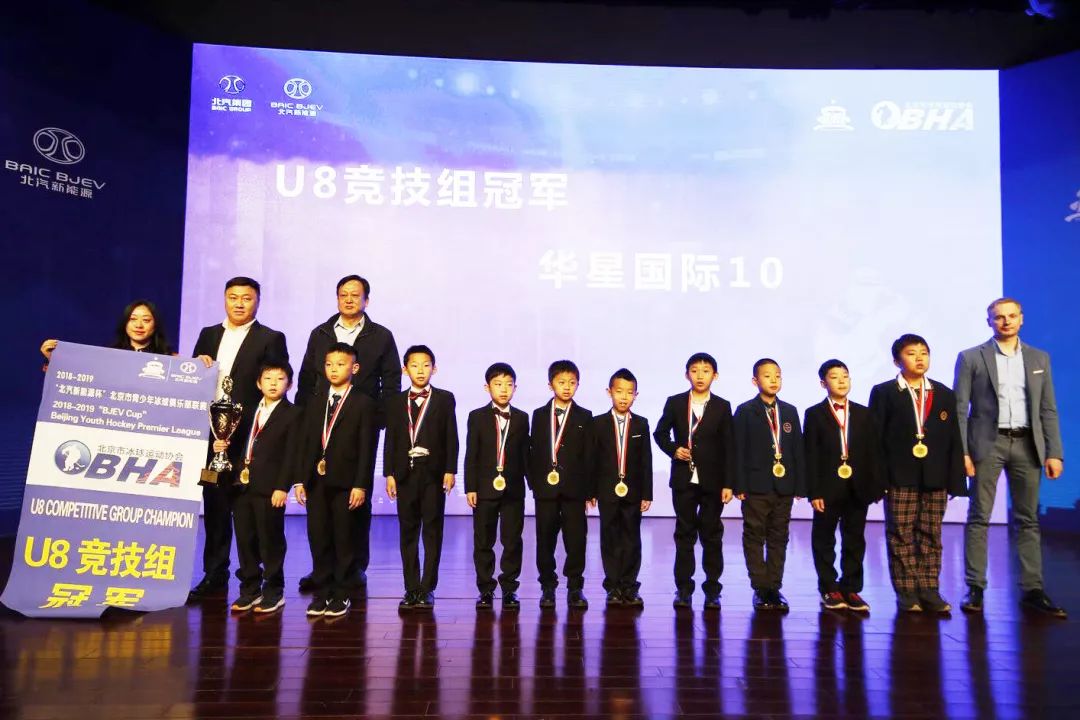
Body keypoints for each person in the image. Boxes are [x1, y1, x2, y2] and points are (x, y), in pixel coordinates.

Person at [955, 298, 1067, 617]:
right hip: (986, 445)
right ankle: (975, 587)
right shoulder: (971, 357)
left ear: (1021, 319)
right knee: (979, 516)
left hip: (1027, 444)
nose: (1005, 321)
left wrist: (1054, 452)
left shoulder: (1039, 358)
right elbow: (960, 408)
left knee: (1027, 519)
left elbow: (1048, 408)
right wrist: (963, 452)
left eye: (1011, 316)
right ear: (989, 321)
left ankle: (1033, 589)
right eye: (999, 317)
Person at [295, 275, 400, 591]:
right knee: (319, 498)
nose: (349, 299)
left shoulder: (380, 336)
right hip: (321, 422)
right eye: (343, 294)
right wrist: (304, 417)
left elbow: (391, 381)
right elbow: (306, 377)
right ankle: (322, 570)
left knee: (356, 496)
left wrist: (379, 419)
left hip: (360, 423)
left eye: (356, 295)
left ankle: (354, 567)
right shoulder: (321, 333)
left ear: (367, 300)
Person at [188, 277, 289, 601]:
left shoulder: (271, 338)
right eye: (233, 297)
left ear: (257, 301)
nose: (239, 303)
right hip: (212, 439)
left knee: (250, 511)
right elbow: (192, 379)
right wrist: (194, 365)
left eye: (247, 298)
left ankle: (255, 579)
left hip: (249, 439)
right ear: (224, 299)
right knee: (215, 506)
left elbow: (277, 385)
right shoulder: (208, 334)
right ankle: (214, 573)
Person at [869, 334, 966, 614]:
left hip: (936, 476)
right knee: (900, 533)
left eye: (924, 352)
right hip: (899, 476)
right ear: (896, 361)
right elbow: (875, 440)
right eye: (911, 353)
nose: (919, 358)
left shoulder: (943, 393)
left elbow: (954, 438)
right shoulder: (885, 392)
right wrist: (879, 478)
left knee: (931, 534)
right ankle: (906, 591)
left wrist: (955, 479)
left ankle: (929, 588)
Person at [292, 343, 376, 618]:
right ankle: (322, 593)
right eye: (329, 364)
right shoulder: (316, 401)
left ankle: (341, 594)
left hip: (347, 483)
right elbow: (306, 443)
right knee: (319, 537)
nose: (334, 369)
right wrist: (300, 480)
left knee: (344, 539)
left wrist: (361, 484)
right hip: (317, 482)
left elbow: (367, 448)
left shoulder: (363, 402)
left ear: (355, 368)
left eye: (340, 364)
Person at [213, 359, 300, 614]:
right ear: (258, 383)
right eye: (268, 379)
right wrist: (221, 445)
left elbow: (292, 454)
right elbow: (238, 444)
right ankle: (249, 591)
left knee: (270, 541)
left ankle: (274, 591)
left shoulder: (294, 414)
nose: (273, 384)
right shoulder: (247, 410)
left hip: (271, 488)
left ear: (289, 384)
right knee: (245, 540)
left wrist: (282, 487)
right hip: (241, 485)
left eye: (280, 379)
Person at [654, 352, 736, 610]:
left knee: (712, 535)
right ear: (686, 374)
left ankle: (712, 590)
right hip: (683, 480)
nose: (700, 375)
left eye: (706, 370)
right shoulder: (675, 402)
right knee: (685, 533)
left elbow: (729, 447)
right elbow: (659, 433)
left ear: (715, 376)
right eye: (694, 370)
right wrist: (673, 449)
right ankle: (683, 589)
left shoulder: (723, 406)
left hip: (713, 482)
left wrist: (729, 483)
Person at [803, 359, 886, 613]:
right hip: (826, 489)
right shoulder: (814, 414)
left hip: (857, 488)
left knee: (855, 539)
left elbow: (873, 452)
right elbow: (810, 455)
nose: (841, 381)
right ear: (823, 383)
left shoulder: (864, 413)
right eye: (834, 377)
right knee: (824, 539)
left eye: (845, 376)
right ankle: (829, 587)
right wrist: (814, 491)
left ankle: (851, 588)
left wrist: (876, 486)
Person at [384, 345, 459, 611]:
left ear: (434, 369)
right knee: (408, 531)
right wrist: (389, 473)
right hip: (405, 474)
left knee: (432, 531)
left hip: (433, 475)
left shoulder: (444, 399)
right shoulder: (395, 401)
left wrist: (450, 470)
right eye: (414, 365)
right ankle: (411, 588)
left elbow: (451, 436)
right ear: (405, 370)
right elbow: (391, 439)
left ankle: (427, 588)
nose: (420, 370)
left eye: (426, 365)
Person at [733, 358, 805, 612]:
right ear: (755, 381)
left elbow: (797, 449)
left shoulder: (790, 411)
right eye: (767, 376)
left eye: (777, 375)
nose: (773, 380)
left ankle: (774, 587)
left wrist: (800, 485)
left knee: (779, 536)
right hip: (755, 486)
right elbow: (738, 450)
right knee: (754, 536)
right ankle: (760, 587)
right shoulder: (745, 411)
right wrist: (738, 485)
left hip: (784, 486)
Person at [528, 360, 594, 610]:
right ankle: (547, 586)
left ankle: (575, 587)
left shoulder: (585, 416)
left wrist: (589, 491)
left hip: (575, 491)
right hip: (545, 491)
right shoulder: (539, 415)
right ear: (550, 385)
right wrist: (535, 484)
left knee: (576, 540)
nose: (567, 387)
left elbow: (589, 455)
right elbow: (532, 452)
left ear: (578, 384)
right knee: (545, 539)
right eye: (561, 382)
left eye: (572, 382)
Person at [465, 363, 530, 611]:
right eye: (498, 384)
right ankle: (485, 589)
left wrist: (534, 486)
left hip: (513, 490)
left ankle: (510, 589)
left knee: (512, 541)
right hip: (484, 489)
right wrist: (470, 487)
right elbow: (471, 454)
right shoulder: (476, 416)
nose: (503, 390)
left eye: (508, 385)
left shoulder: (522, 418)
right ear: (487, 387)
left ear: (515, 388)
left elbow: (525, 455)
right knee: (483, 541)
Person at [591, 368, 653, 608]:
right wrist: (591, 491)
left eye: (629, 392)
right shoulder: (598, 423)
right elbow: (592, 460)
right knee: (609, 537)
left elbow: (646, 460)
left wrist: (647, 493)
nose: (624, 397)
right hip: (607, 490)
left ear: (636, 395)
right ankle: (613, 587)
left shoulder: (641, 424)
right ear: (609, 392)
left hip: (633, 491)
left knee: (632, 537)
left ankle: (630, 585)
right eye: (619, 391)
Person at [40, 299, 174, 367]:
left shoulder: (170, 360)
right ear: (125, 323)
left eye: (146, 320)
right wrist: (53, 359)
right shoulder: (107, 356)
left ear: (155, 325)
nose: (139, 325)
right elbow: (82, 374)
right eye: (132, 319)